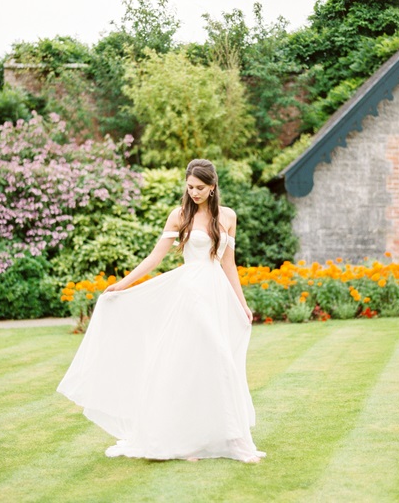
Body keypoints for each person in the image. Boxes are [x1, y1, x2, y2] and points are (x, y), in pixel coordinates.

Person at [57, 159, 265, 463]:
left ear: (212, 187)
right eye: (190, 186)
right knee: (219, 357)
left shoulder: (228, 217)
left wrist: (242, 303)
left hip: (216, 292)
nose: (193, 192)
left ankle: (209, 439)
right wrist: (123, 284)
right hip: (190, 293)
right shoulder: (179, 216)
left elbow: (228, 264)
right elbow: (155, 258)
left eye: (199, 187)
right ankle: (224, 440)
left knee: (204, 365)